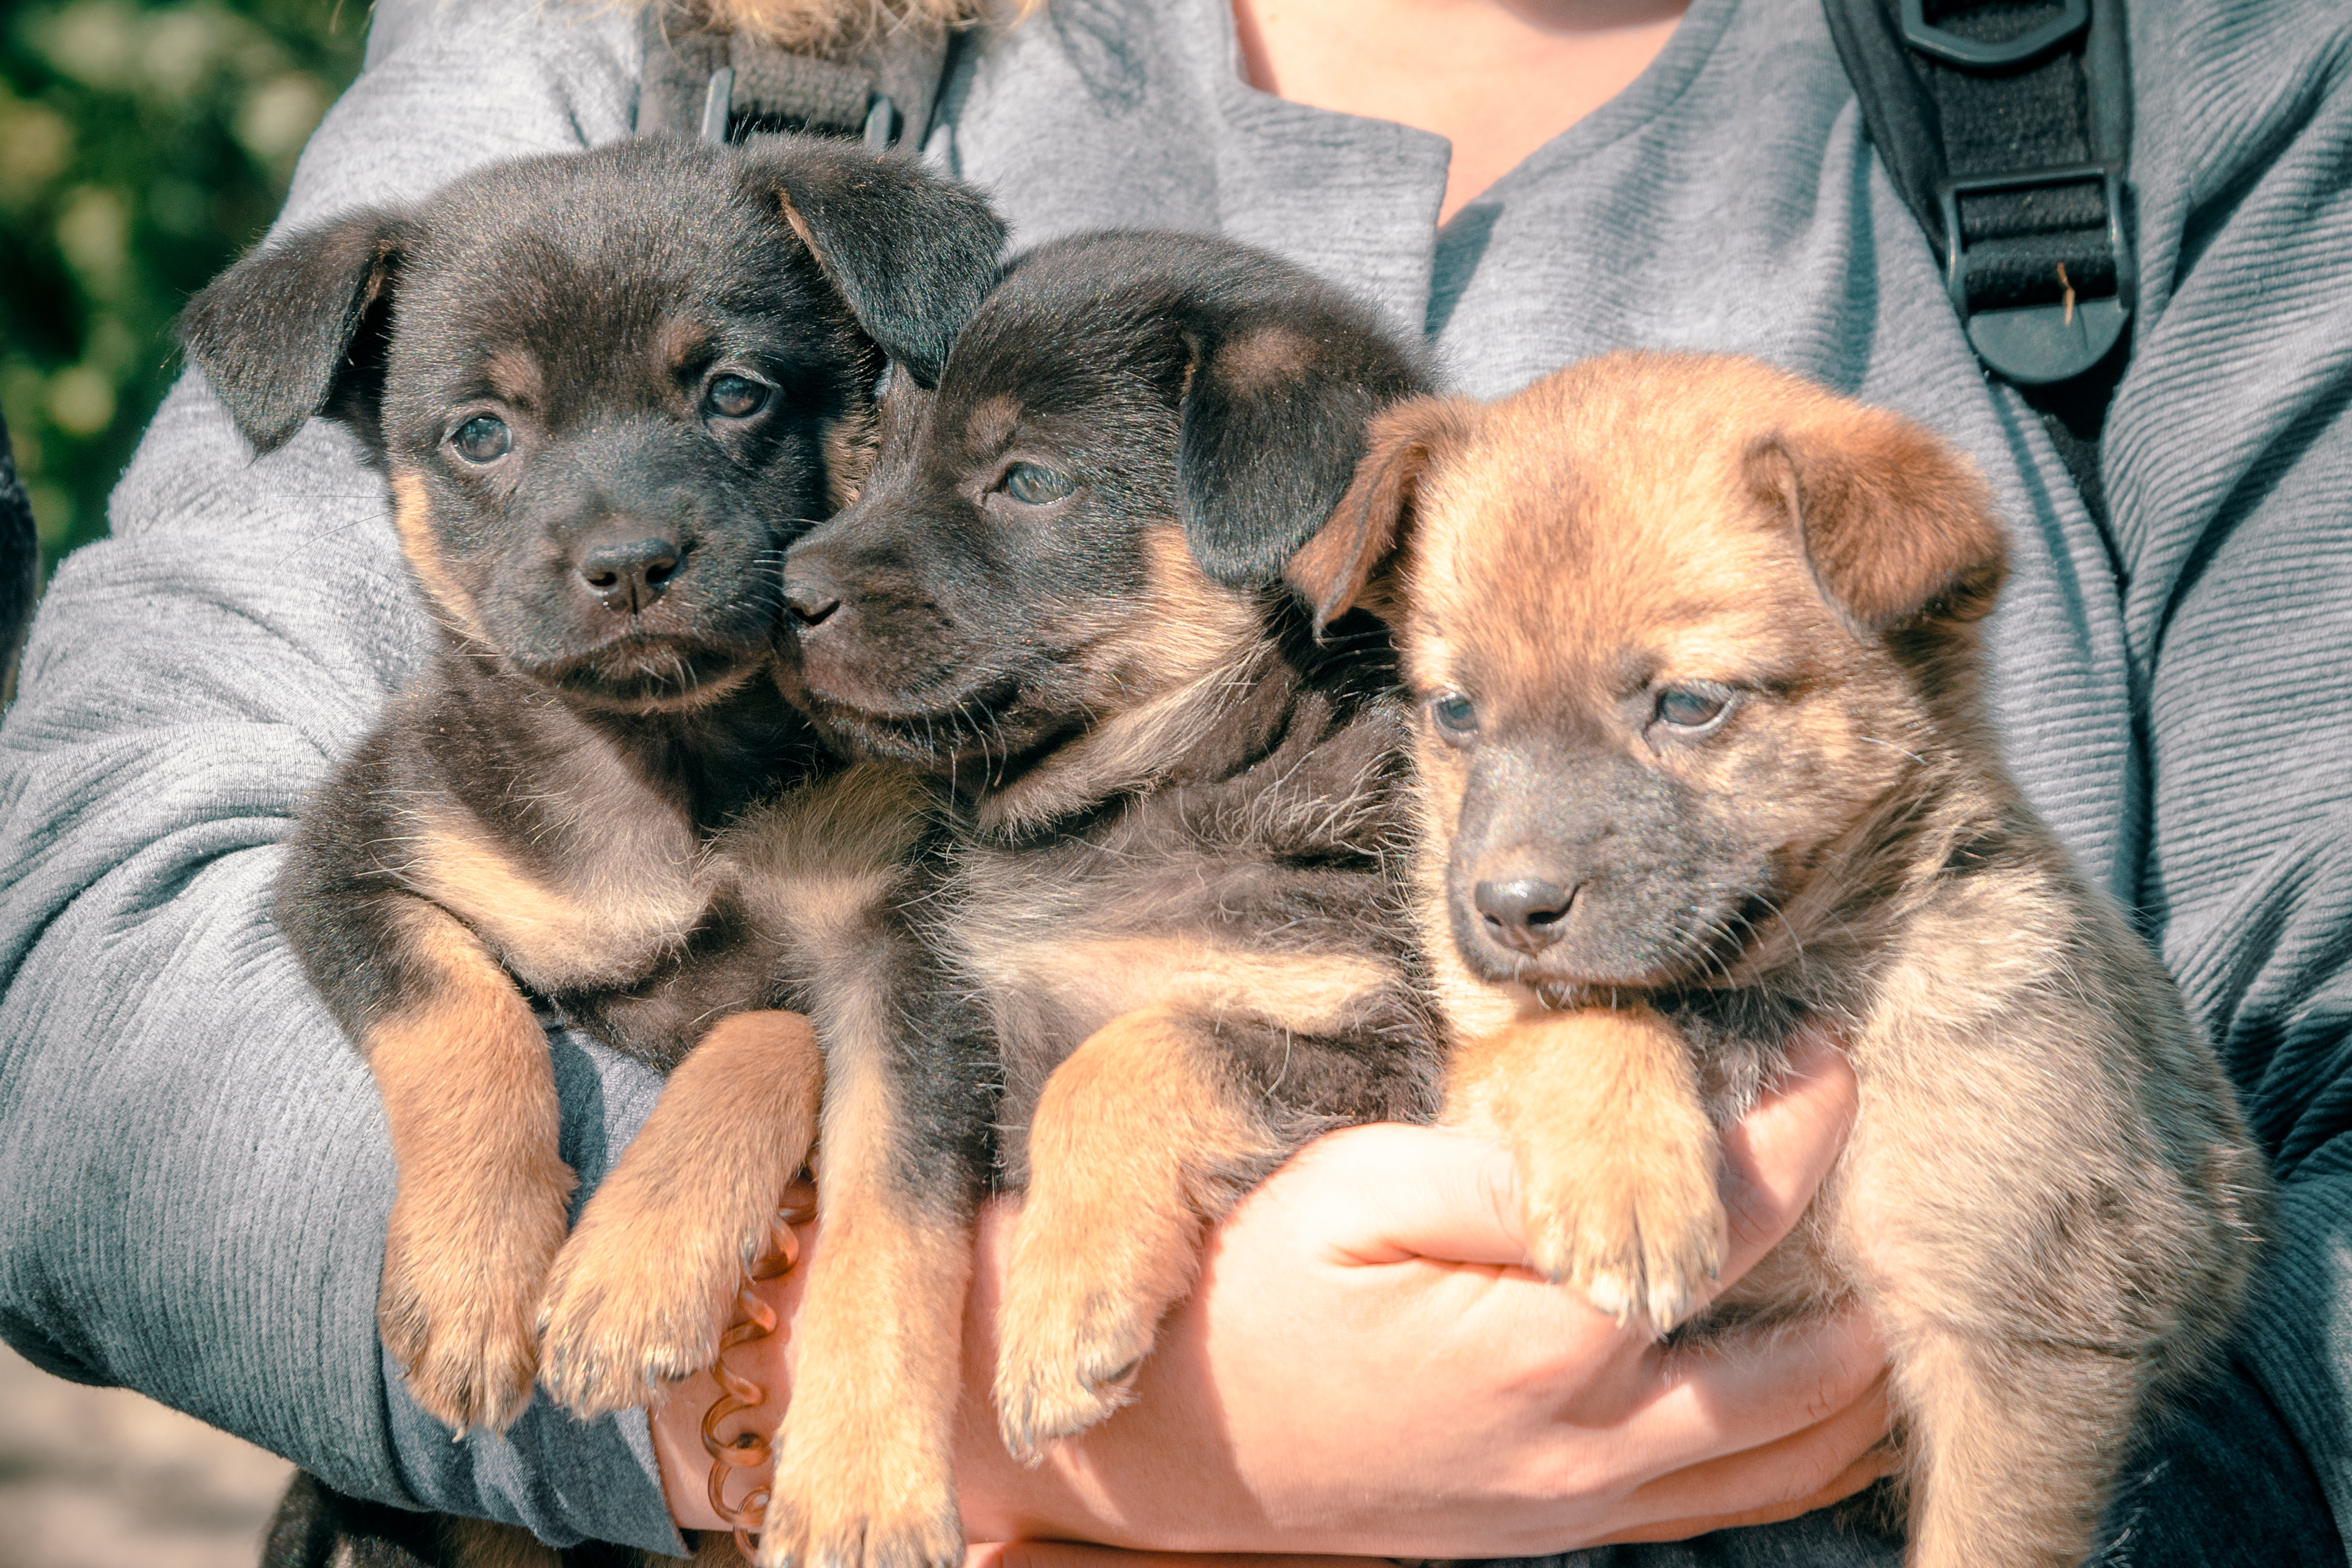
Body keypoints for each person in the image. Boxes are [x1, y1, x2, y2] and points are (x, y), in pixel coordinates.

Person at [1, 0, 2346, 1562]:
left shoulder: (2179, 71)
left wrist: (2028, 1380)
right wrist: (904, 1393)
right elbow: (69, 958)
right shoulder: (656, 48)